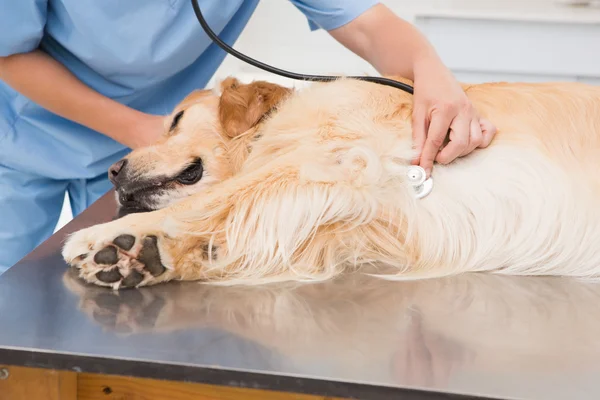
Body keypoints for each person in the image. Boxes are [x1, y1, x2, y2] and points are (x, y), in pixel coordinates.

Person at [0, 1, 496, 274]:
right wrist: (147, 133)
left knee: (108, 312)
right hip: (21, 133)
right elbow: (8, 53)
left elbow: (369, 27)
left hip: (149, 150)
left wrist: (431, 69)